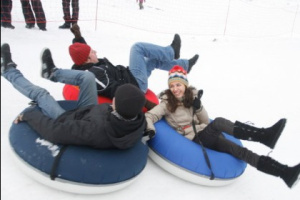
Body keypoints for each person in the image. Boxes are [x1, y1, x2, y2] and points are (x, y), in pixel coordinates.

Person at [145, 65, 300, 188]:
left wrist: (198, 106)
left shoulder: (191, 97)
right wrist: (150, 130)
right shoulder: (167, 103)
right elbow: (149, 116)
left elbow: (205, 120)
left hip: (206, 134)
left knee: (241, 151)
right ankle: (264, 135)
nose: (175, 89)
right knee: (218, 122)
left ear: (185, 85)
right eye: (172, 86)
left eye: (178, 84)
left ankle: (285, 172)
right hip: (195, 139)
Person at [1, 43, 147, 149]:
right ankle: (52, 72)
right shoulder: (137, 120)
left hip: (68, 118)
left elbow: (55, 132)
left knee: (41, 94)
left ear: (115, 104)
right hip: (91, 111)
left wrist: (30, 115)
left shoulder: (93, 131)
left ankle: (8, 70)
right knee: (88, 77)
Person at [69, 23, 199, 110]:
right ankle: (171, 52)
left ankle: (185, 66)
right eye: (92, 52)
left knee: (153, 60)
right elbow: (116, 90)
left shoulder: (88, 63)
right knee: (137, 48)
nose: (95, 52)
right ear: (88, 59)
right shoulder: (94, 75)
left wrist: (78, 37)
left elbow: (82, 54)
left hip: (129, 75)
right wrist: (145, 102)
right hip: (135, 84)